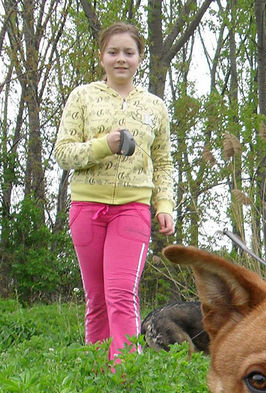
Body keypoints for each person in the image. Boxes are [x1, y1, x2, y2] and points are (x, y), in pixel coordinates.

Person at [54, 22, 174, 361]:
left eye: (129, 52)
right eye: (113, 52)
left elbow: (163, 162)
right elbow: (63, 153)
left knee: (121, 294)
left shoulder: (155, 106)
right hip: (87, 208)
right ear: (101, 57)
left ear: (139, 58)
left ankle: (124, 374)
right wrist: (104, 145)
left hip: (132, 209)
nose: (121, 58)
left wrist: (164, 204)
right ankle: (96, 373)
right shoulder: (83, 97)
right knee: (96, 298)